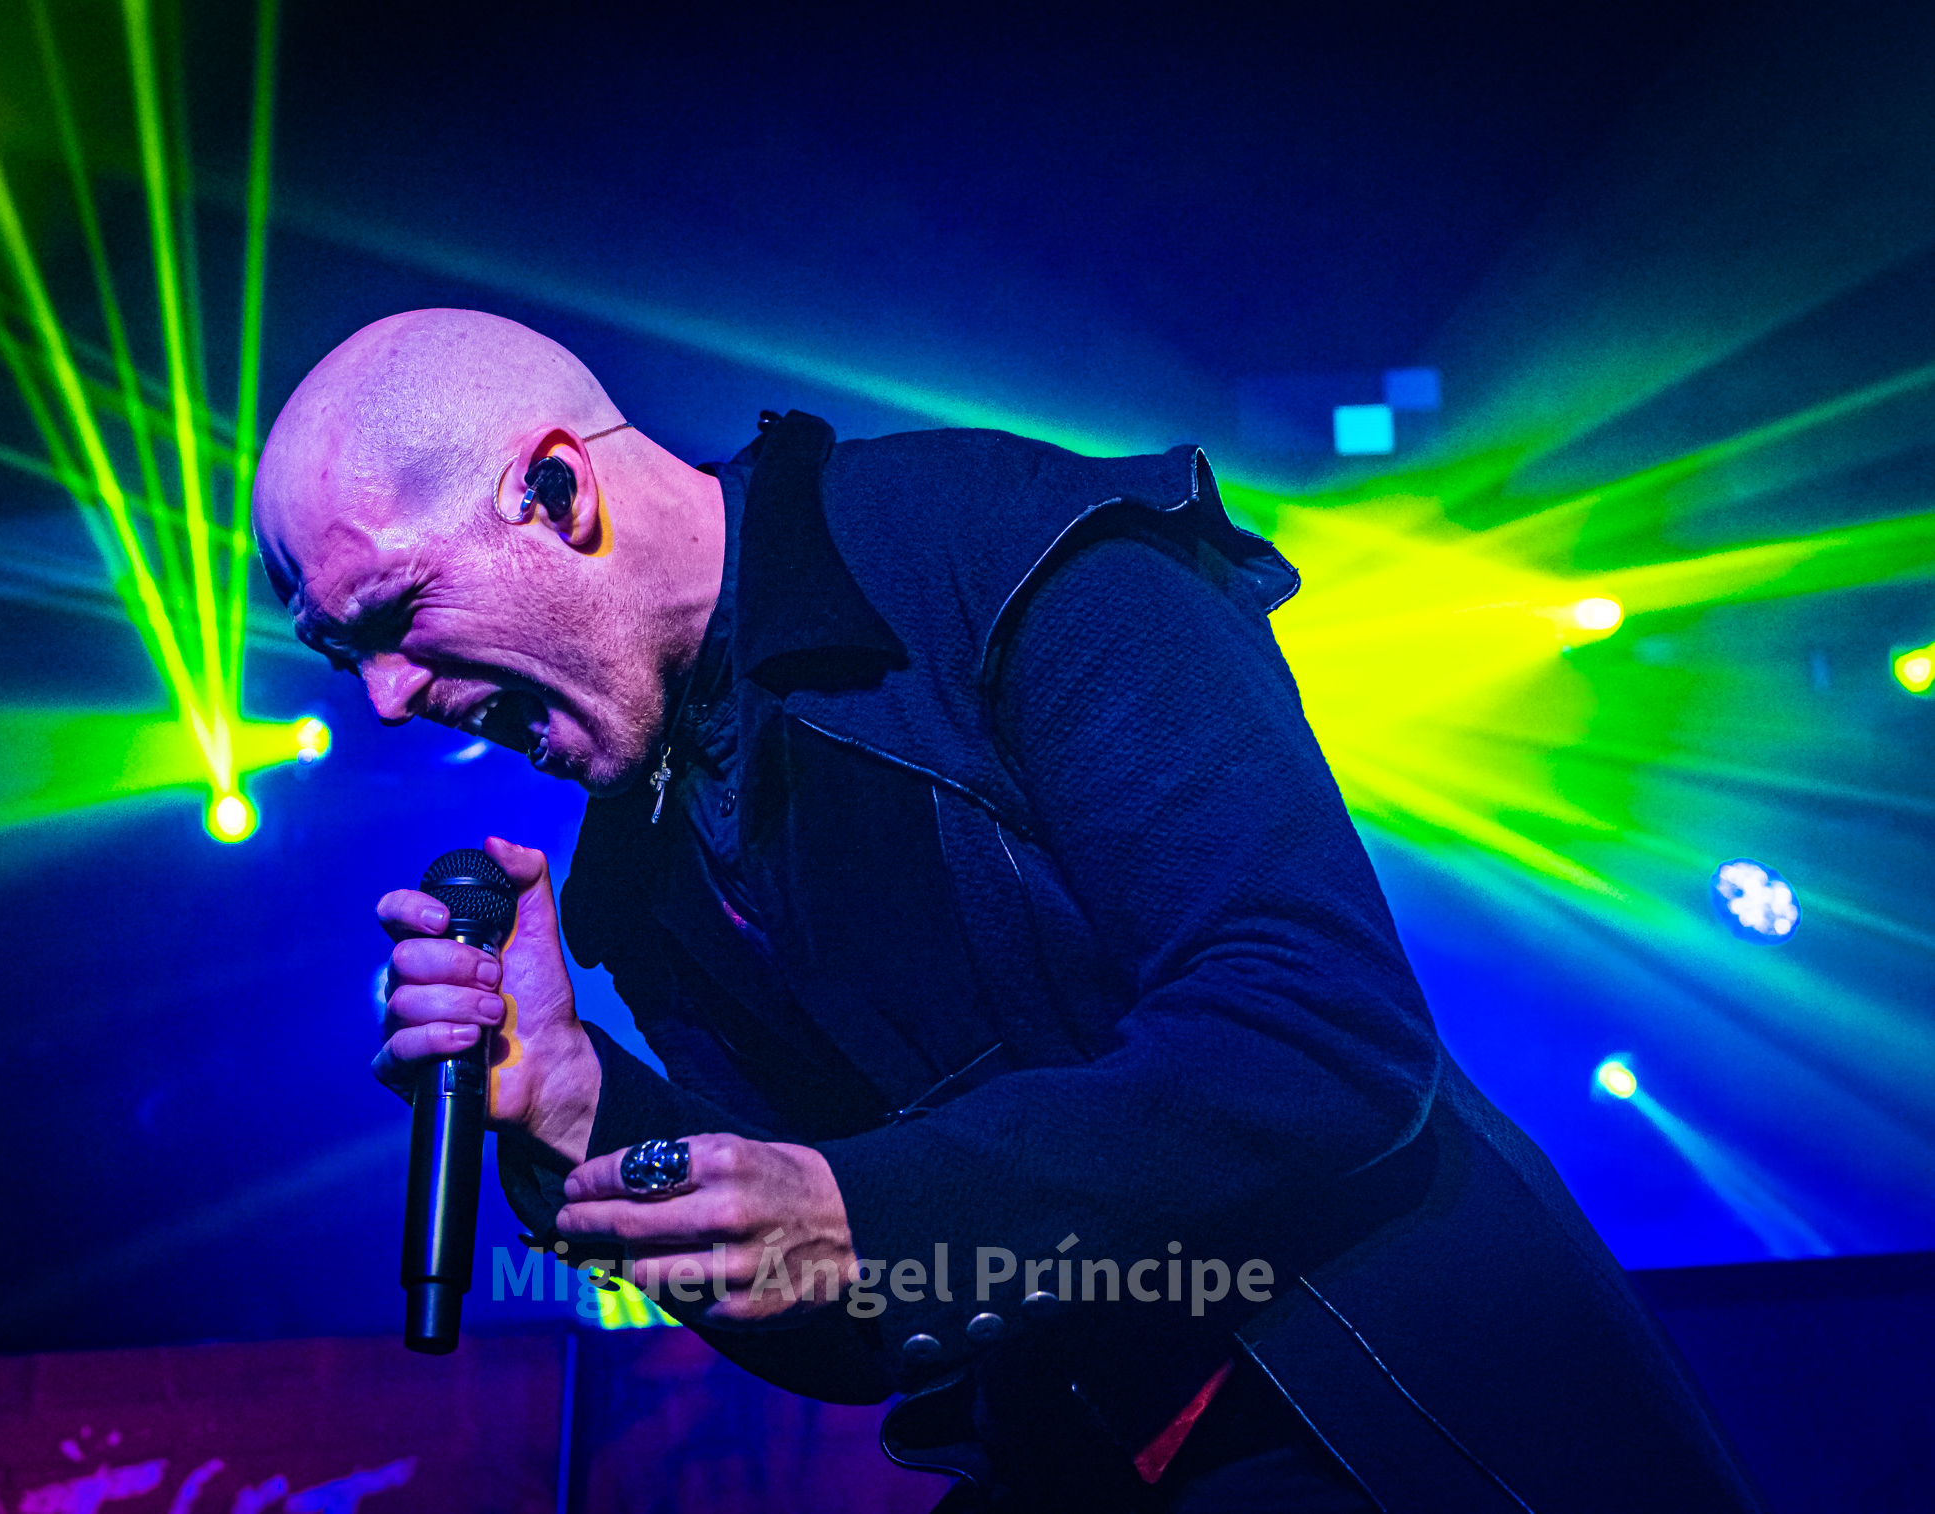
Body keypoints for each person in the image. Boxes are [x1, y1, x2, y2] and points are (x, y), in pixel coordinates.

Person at [252, 309, 1761, 1512]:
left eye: (397, 617)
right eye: (343, 657)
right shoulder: (638, 865)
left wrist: (880, 1210)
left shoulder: (1009, 557)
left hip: (1389, 1413)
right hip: (1080, 1458)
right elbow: (847, 1312)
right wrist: (577, 1105)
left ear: (557, 491)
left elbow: (1319, 1033)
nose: (386, 700)